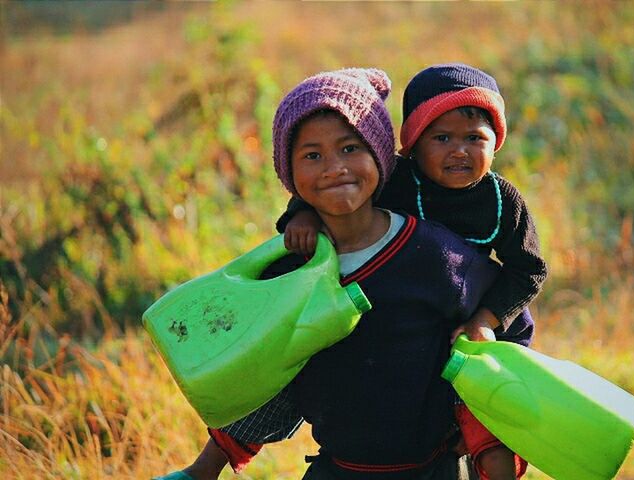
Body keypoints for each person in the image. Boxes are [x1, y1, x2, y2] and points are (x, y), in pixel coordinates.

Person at [154, 68, 526, 480]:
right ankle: (202, 471)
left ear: (382, 158)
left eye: (350, 149)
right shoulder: (292, 265)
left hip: (430, 465)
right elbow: (254, 367)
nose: (334, 168)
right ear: (289, 173)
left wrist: (482, 345)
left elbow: (513, 307)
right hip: (338, 468)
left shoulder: (433, 254)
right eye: (312, 156)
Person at [278, 63, 545, 478]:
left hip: (483, 318)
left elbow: (529, 269)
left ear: (497, 143)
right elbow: (341, 186)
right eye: (442, 138)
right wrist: (303, 215)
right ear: (411, 147)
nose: (459, 150)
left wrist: (485, 321)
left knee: (489, 436)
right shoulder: (398, 181)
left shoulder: (501, 199)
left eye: (475, 138)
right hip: (417, 313)